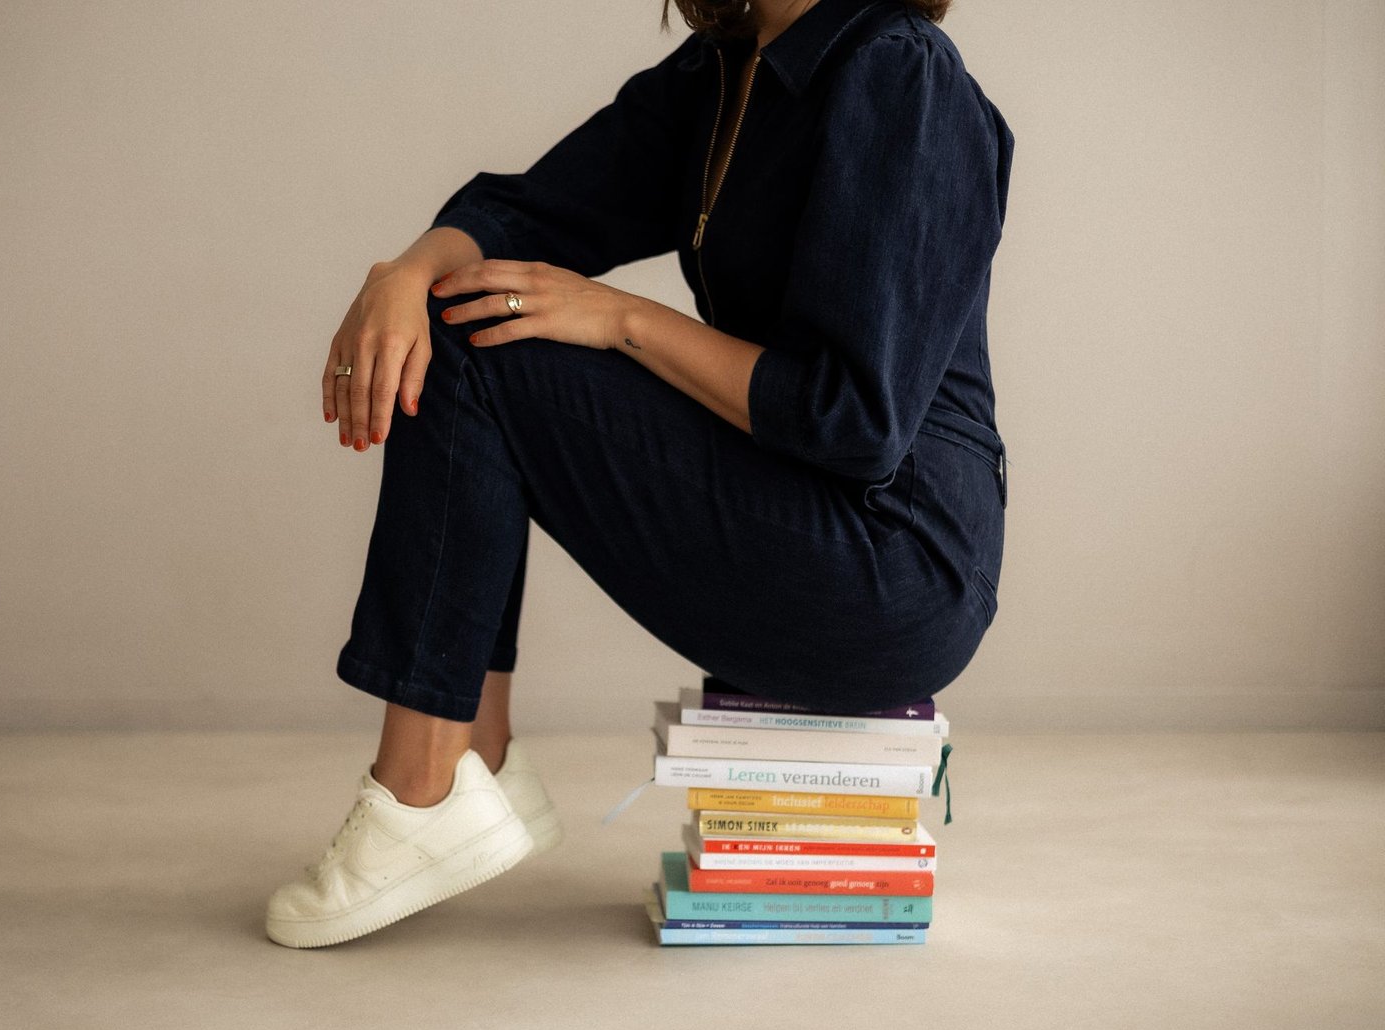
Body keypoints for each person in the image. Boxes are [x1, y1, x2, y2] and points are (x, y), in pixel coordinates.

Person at [265, 0, 1014, 948]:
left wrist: (621, 318)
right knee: (467, 312)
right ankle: (470, 764)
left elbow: (853, 420)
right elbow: (525, 212)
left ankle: (424, 787)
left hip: (896, 559)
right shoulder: (724, 69)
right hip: (799, 506)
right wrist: (403, 276)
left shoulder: (903, 72)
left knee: (482, 344)